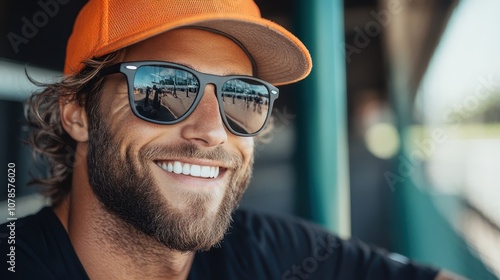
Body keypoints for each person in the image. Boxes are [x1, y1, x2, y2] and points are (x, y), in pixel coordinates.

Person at [1, 0, 463, 279]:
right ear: (77, 112)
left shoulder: (268, 251)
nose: (212, 130)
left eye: (242, 97)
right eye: (163, 89)